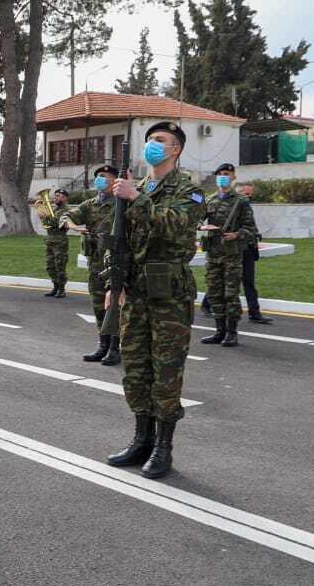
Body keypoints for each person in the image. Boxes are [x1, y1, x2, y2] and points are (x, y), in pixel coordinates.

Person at [105, 122, 205, 479]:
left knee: (165, 374)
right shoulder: (139, 187)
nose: (152, 145)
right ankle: (141, 440)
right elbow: (120, 240)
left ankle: (164, 448)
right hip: (135, 293)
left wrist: (135, 197)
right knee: (135, 370)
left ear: (175, 150)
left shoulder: (189, 190)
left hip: (169, 296)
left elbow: (176, 224)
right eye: (149, 140)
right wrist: (113, 283)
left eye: (160, 141)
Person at [66, 165, 120, 365]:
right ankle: (102, 345)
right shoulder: (90, 204)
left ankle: (115, 348)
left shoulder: (121, 204)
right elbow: (69, 215)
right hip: (96, 264)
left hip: (115, 263)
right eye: (97, 177)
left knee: (114, 307)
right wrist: (71, 224)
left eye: (104, 177)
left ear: (115, 181)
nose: (100, 180)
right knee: (99, 306)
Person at [198, 164, 256, 347]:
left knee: (230, 294)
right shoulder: (210, 200)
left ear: (233, 177)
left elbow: (250, 228)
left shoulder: (240, 201)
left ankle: (232, 332)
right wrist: (201, 227)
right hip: (213, 254)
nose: (222, 177)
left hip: (232, 255)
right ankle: (219, 331)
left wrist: (237, 234)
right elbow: (197, 219)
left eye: (226, 174)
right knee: (214, 294)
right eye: (219, 174)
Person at [235, 181, 273, 324]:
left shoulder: (247, 207)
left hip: (249, 248)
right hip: (235, 249)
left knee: (249, 282)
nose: (249, 197)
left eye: (250, 194)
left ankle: (254, 312)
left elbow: (250, 225)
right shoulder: (231, 207)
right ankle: (208, 304)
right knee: (229, 280)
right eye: (246, 194)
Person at [40, 188, 71, 297]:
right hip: (50, 240)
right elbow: (47, 224)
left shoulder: (66, 210)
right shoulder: (55, 209)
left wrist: (46, 216)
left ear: (65, 198)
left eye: (59, 196)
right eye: (56, 195)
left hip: (60, 241)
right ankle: (56, 286)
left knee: (60, 266)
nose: (56, 197)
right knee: (50, 266)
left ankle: (62, 289)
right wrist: (43, 218)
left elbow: (56, 222)